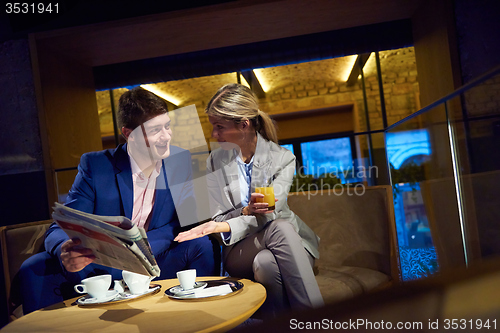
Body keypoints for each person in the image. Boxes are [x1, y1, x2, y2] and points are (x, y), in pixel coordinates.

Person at [15, 87, 216, 314]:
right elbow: (59, 227)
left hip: (156, 258)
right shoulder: (96, 166)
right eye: (155, 130)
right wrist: (65, 250)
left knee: (200, 246)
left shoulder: (179, 161)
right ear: (128, 134)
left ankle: (199, 317)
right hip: (103, 262)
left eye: (167, 127)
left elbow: (189, 221)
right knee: (33, 267)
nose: (166, 136)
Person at [175, 83, 324, 317]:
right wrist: (242, 213)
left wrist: (227, 223)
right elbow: (218, 217)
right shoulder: (214, 161)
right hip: (240, 249)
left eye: (219, 127)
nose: (214, 134)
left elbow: (269, 214)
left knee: (267, 262)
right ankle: (318, 322)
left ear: (244, 125)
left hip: (290, 244)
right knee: (280, 228)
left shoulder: (283, 158)